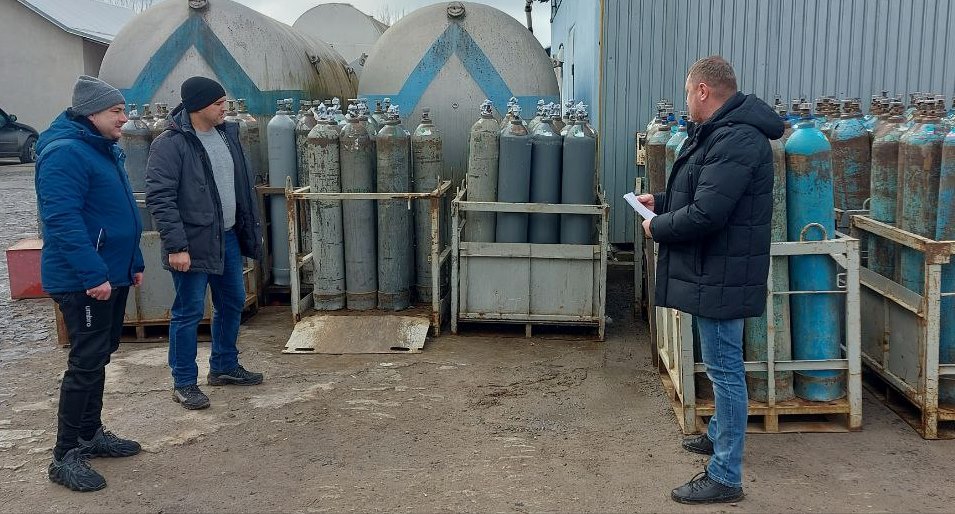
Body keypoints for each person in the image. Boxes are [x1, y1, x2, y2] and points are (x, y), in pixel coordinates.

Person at [637, 56, 783, 504]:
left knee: (725, 372)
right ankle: (719, 434)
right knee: (723, 366)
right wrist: (660, 201)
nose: (686, 100)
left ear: (703, 91)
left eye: (688, 92)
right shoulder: (722, 133)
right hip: (718, 269)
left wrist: (657, 227)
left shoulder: (737, 138)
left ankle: (725, 475)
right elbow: (703, 190)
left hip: (722, 272)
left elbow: (707, 213)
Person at [36, 75, 145, 492]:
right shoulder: (65, 153)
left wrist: (133, 261)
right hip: (83, 279)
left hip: (109, 272)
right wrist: (93, 274)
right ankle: (64, 455)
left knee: (100, 354)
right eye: (116, 111)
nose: (124, 117)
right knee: (85, 362)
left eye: (123, 109)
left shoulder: (101, 147)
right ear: (91, 113)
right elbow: (61, 220)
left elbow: (120, 212)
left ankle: (89, 434)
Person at [145, 76, 263, 410]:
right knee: (189, 311)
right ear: (198, 106)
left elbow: (239, 187)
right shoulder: (171, 144)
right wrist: (176, 246)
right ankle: (183, 382)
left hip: (227, 237)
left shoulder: (227, 135)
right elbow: (160, 198)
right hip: (192, 243)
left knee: (233, 301)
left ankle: (224, 365)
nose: (225, 108)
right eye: (218, 103)